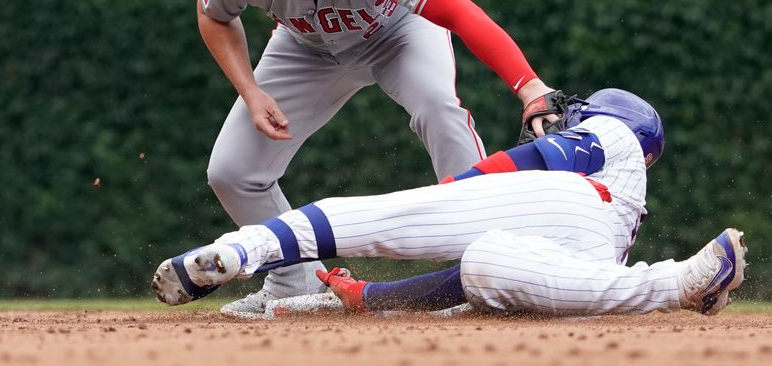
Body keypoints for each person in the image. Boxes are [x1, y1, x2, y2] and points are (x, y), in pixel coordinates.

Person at [194, 0, 557, 314]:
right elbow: (213, 14)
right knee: (232, 172)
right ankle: (293, 284)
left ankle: (489, 265)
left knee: (438, 108)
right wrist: (249, 90)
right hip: (305, 48)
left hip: (398, 33)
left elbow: (462, 13)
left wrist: (529, 87)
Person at [152, 89, 748, 318]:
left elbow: (535, 162)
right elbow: (462, 281)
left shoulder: (612, 136)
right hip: (585, 261)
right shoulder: (630, 206)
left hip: (568, 200)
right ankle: (684, 283)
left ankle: (240, 249)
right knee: (486, 268)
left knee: (384, 216)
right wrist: (369, 298)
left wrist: (453, 192)